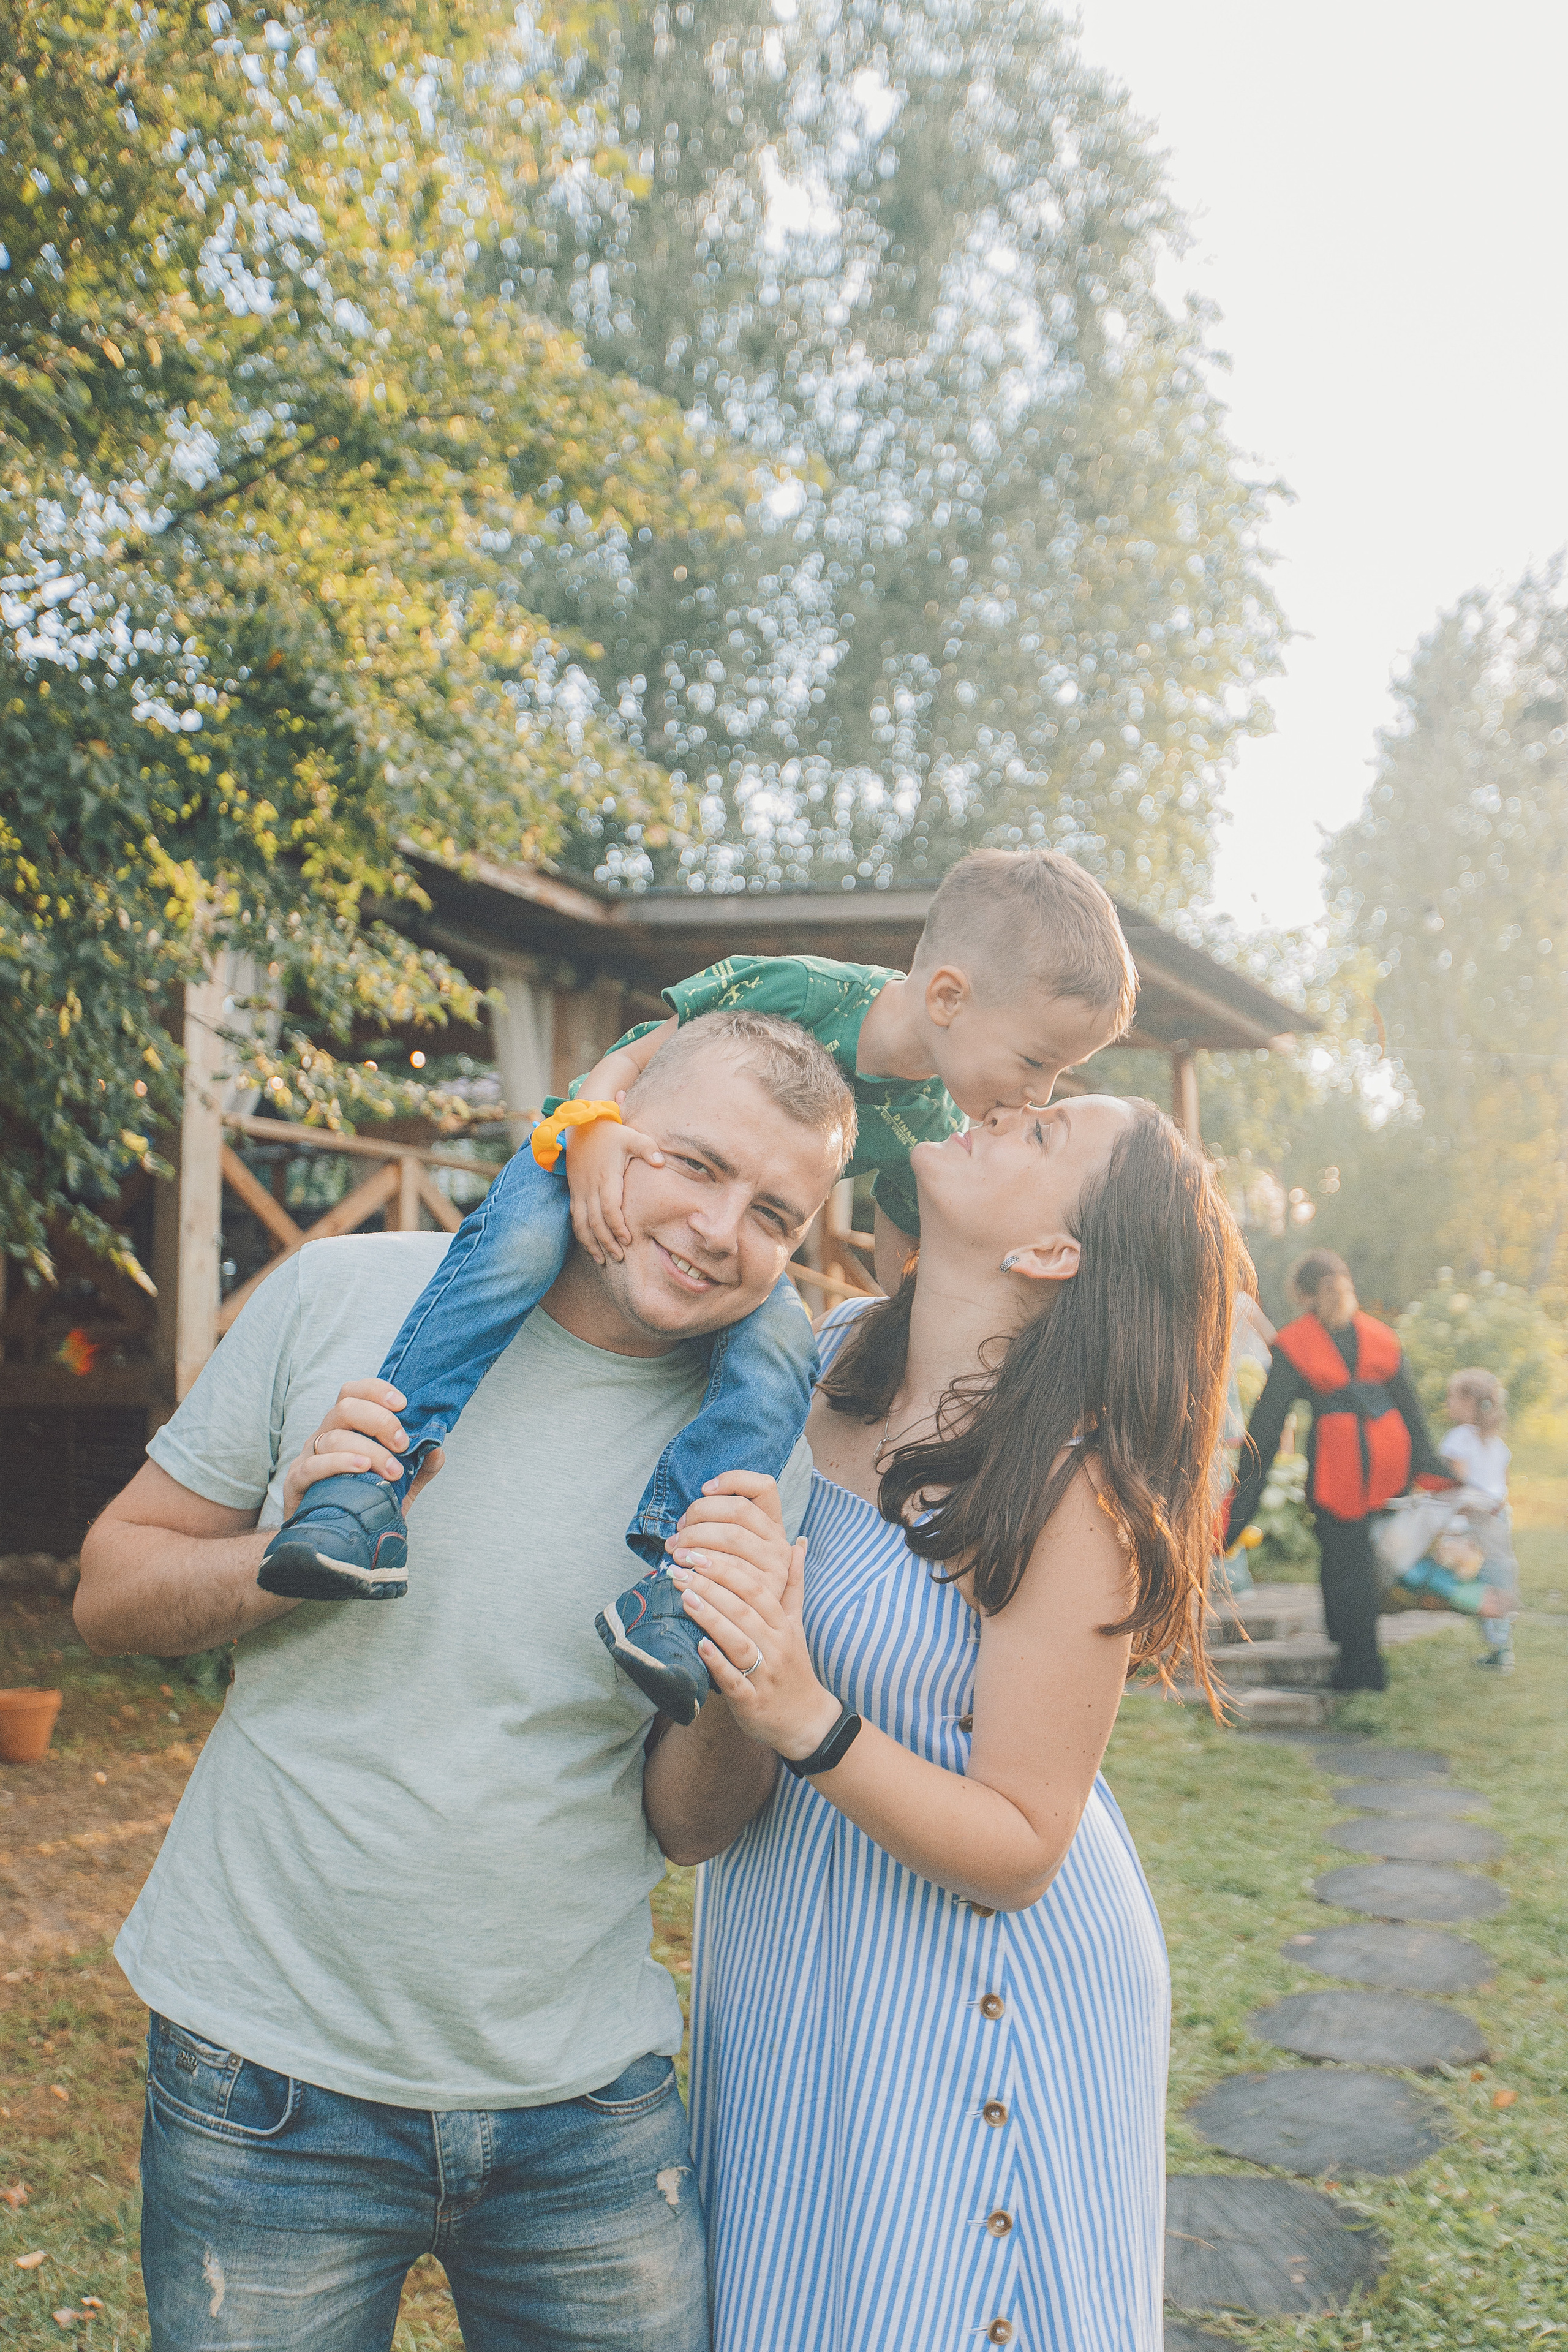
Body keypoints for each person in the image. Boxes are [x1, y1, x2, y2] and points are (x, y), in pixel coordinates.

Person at [74, 1010, 855, 2352]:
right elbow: (108, 1591)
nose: (722, 1229)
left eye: (775, 1213)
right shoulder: (347, 1297)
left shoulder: (759, 1447)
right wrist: (280, 1556)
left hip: (586, 2117)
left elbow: (688, 1826)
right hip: (263, 2083)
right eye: (692, 1163)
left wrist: (746, 1669)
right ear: (606, 1130)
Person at [258, 848, 1138, 1730]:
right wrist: (598, 1131)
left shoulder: (930, 1121)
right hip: (595, 1149)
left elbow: (911, 1265)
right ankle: (373, 1479)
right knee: (515, 1252)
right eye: (1037, 1060)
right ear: (948, 998)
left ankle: (677, 1583)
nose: (1038, 1092)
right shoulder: (810, 993)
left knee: (779, 1359)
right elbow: (641, 1055)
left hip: (709, 1239)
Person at [667, 1094, 1245, 2351]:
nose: (1003, 1111)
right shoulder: (820, 1356)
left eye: (1044, 1135)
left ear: (1050, 1254)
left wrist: (805, 1719)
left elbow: (1024, 1843)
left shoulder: (1073, 1485)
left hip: (974, 1986)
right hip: (783, 1948)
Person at [1226, 1249, 1449, 1692]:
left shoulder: (1296, 1343)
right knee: (1357, 1554)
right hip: (1389, 1457)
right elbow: (1412, 1411)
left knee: (1348, 1560)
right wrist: (1435, 1472)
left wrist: (1238, 1508)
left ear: (1302, 1294)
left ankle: (1363, 1668)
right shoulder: (1382, 1336)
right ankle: (1344, 1638)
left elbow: (1266, 1431)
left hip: (1343, 1464)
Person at [1396, 1368, 1520, 1671]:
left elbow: (1454, 1485)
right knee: (1496, 1579)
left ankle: (1495, 1644)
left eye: (1451, 1397)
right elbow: (1503, 1486)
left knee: (1469, 1581)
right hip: (1498, 1519)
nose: (1448, 1403)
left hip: (1469, 1522)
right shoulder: (1497, 1443)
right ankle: (1501, 1648)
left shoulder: (1459, 1438)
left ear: (1468, 1401)